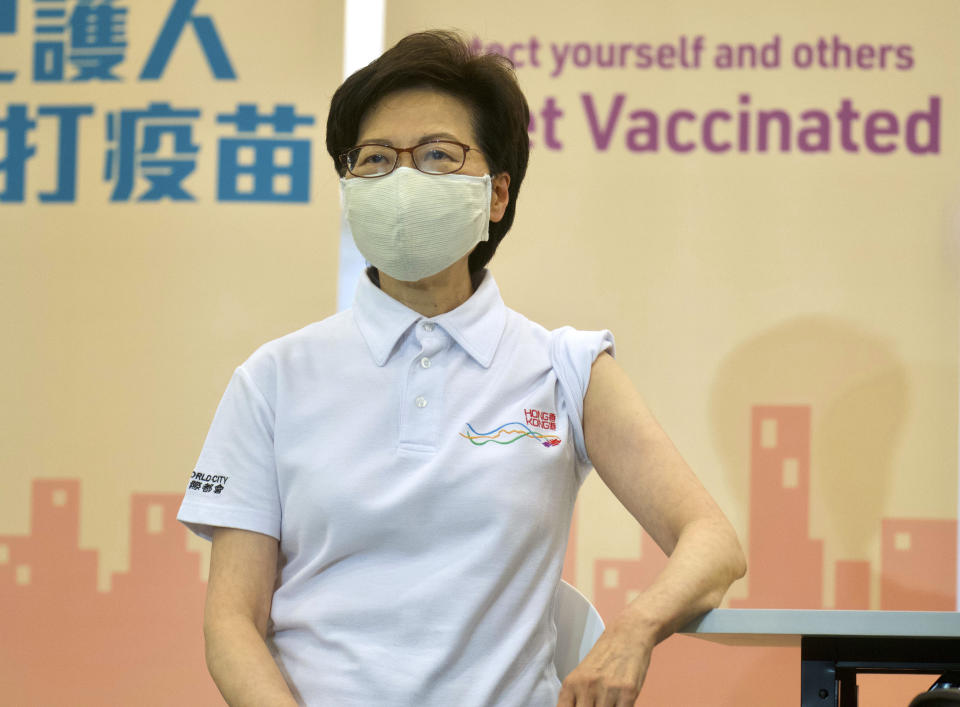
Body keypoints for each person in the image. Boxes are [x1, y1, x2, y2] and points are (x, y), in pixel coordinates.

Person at [177, 30, 746, 707]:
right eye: (377, 160)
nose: (404, 179)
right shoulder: (273, 378)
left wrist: (632, 630)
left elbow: (712, 542)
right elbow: (232, 621)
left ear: (496, 194)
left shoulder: (563, 366)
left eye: (439, 156)